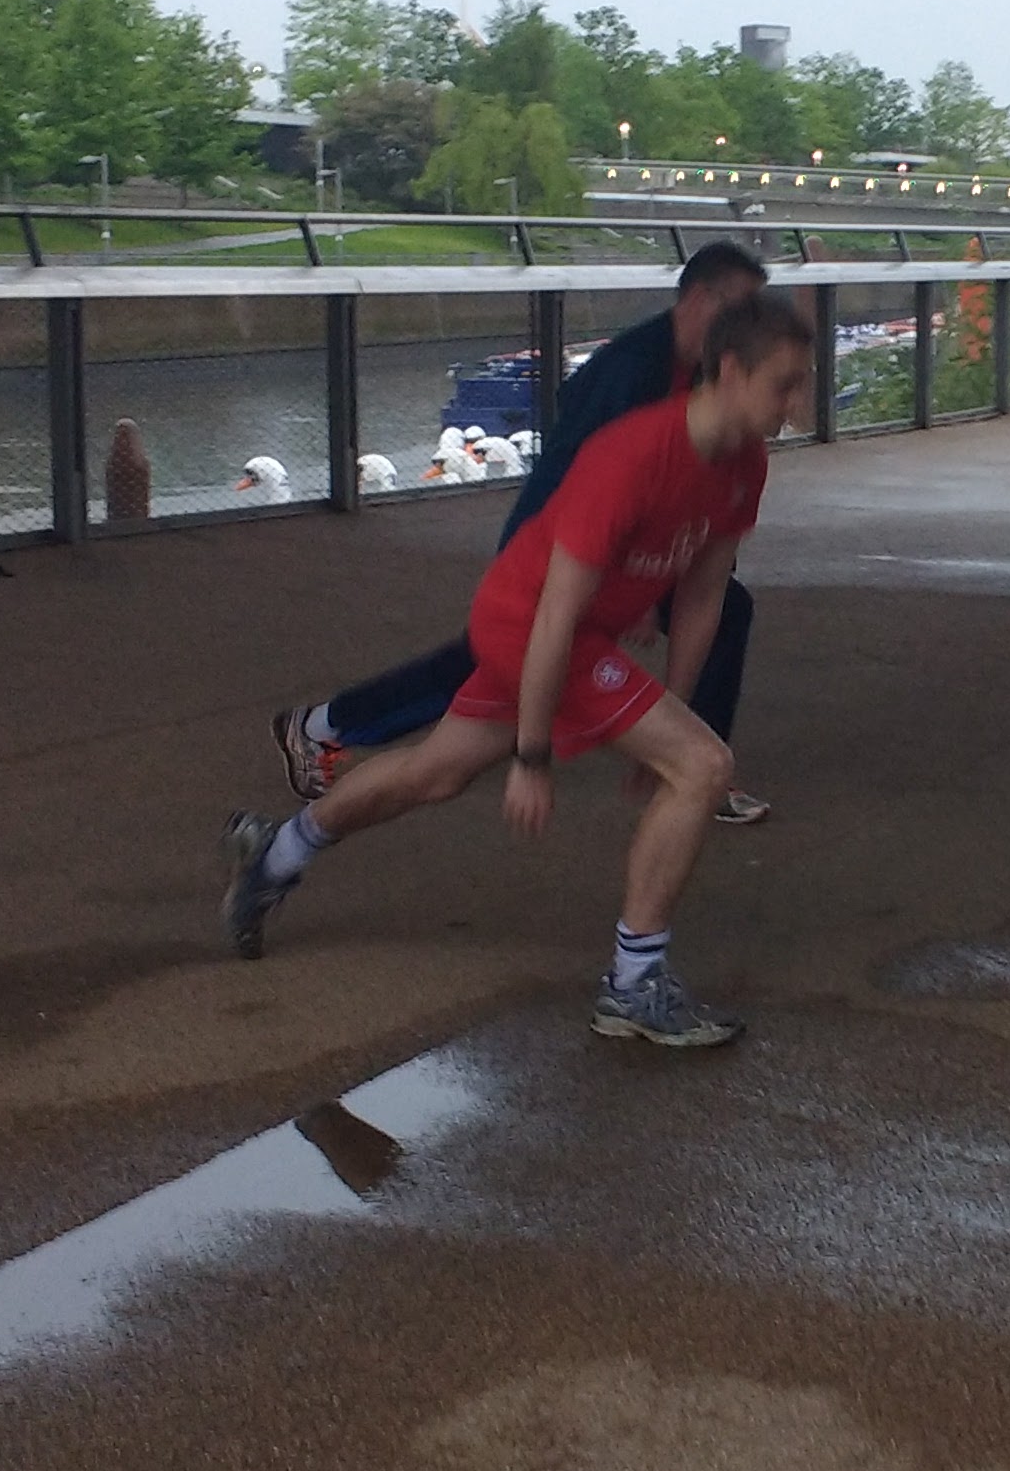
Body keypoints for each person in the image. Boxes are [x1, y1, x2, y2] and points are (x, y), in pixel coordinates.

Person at [221, 290, 821, 1046]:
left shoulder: (743, 466)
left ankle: (274, 854)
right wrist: (533, 754)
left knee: (435, 772)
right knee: (704, 768)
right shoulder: (634, 455)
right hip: (535, 624)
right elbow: (553, 612)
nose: (797, 401)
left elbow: (704, 594)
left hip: (575, 635)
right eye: (785, 383)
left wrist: (674, 709)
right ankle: (632, 986)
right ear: (731, 371)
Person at [274, 240, 777, 825]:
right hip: (566, 539)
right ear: (700, 300)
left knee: (718, 612)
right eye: (744, 312)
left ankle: (697, 764)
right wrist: (637, 589)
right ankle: (327, 724)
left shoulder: (685, 366)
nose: (752, 329)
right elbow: (596, 472)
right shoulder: (636, 369)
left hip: (611, 544)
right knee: (501, 656)